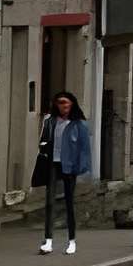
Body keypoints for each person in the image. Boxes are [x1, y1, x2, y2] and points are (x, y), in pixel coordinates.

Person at [37, 93, 92, 255]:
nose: (63, 106)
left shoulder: (78, 124)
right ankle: (48, 240)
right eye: (60, 103)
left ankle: (71, 240)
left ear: (72, 104)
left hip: (69, 166)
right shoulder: (50, 121)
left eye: (66, 103)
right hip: (52, 164)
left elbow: (84, 148)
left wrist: (81, 167)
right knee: (50, 202)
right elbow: (43, 141)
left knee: (69, 204)